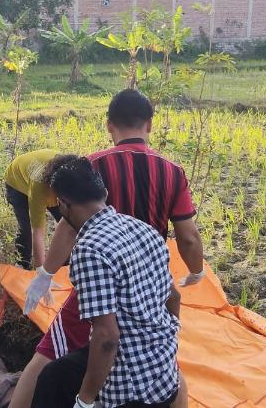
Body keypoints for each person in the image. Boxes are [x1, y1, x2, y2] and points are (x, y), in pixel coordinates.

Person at [11, 89, 204, 408]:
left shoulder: (93, 167)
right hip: (147, 281)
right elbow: (188, 237)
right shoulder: (172, 173)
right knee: (165, 363)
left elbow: (68, 228)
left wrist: (46, 272)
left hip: (98, 279)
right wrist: (196, 270)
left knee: (48, 356)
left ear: (109, 125)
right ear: (150, 125)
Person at [30, 157, 187, 408]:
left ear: (63, 206)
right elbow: (174, 297)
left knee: (64, 386)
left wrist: (85, 401)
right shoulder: (142, 229)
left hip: (131, 384)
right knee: (54, 376)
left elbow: (107, 337)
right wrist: (165, 340)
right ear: (103, 192)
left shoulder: (89, 249)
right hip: (163, 366)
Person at [4, 148, 63, 269]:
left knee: (68, 222)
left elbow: (72, 226)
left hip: (43, 166)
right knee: (26, 227)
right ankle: (23, 262)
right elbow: (37, 232)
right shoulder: (39, 188)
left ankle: (66, 262)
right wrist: (41, 273)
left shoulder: (76, 176)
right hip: (17, 181)